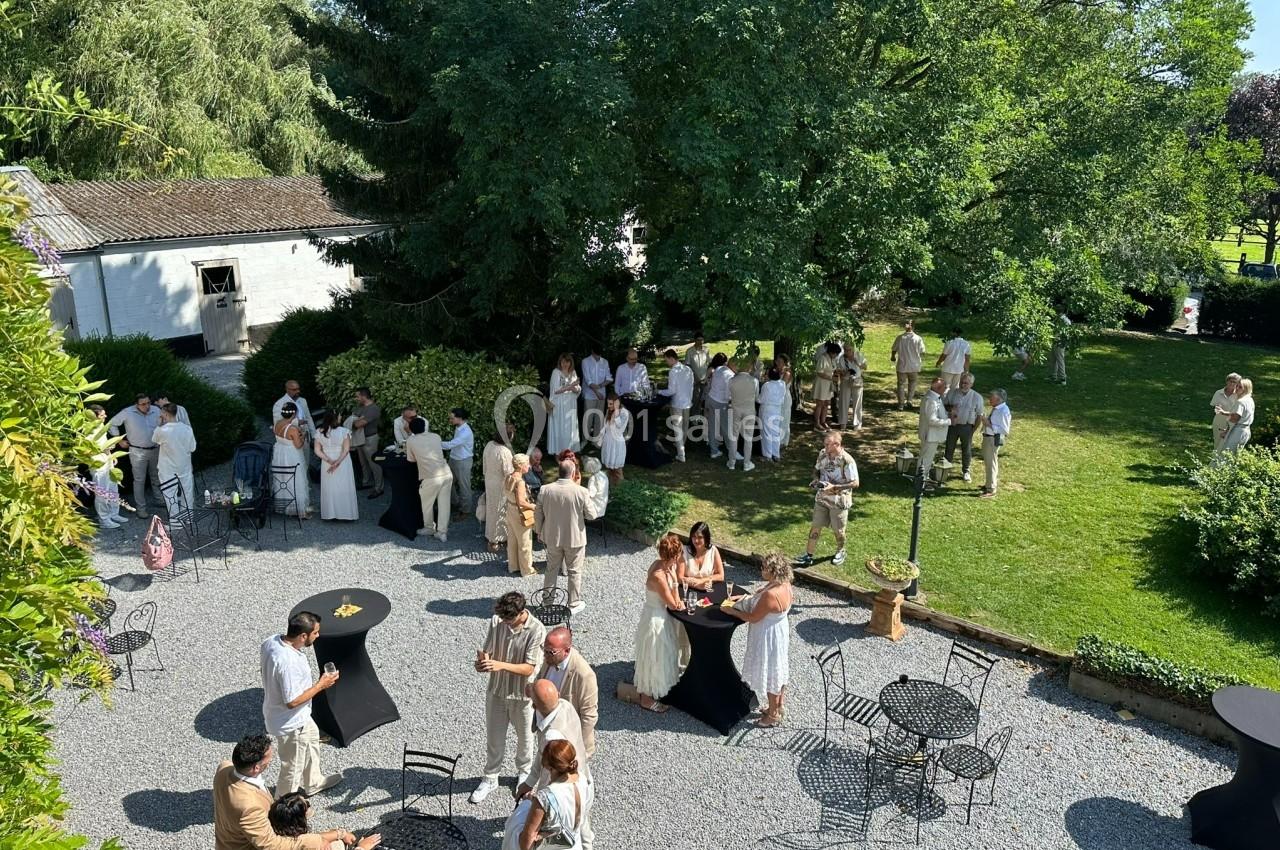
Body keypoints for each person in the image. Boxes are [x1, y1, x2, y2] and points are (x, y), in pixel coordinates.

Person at [213, 734, 367, 850]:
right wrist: (315, 842)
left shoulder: (225, 768)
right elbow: (271, 845)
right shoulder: (249, 807)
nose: (271, 758)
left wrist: (337, 833)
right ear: (256, 768)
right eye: (268, 758)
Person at [472, 592, 546, 804]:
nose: (505, 622)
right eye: (503, 618)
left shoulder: (537, 629)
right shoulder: (497, 621)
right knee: (494, 738)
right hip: (496, 691)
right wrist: (483, 663)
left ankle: (524, 774)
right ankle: (490, 777)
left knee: (525, 739)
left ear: (521, 613)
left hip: (522, 696)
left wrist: (499, 665)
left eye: (509, 619)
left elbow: (529, 667)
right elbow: (488, 649)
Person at [260, 612, 342, 797]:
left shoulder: (271, 641)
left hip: (298, 716)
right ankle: (284, 805)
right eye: (315, 633)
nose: (318, 636)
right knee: (292, 768)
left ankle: (314, 782)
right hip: (292, 723)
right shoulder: (288, 663)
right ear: (303, 636)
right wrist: (321, 685)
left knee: (312, 741)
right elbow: (292, 701)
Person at [724, 553, 793, 727]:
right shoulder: (785, 584)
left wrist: (732, 611)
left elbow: (753, 618)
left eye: (763, 568)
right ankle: (778, 706)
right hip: (779, 631)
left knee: (770, 673)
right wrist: (744, 599)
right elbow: (761, 603)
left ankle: (773, 716)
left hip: (767, 635)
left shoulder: (771, 594)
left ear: (772, 570)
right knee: (778, 669)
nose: (761, 570)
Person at [501, 739, 592, 850]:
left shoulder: (544, 797)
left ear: (551, 768)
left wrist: (526, 806)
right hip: (573, 844)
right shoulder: (582, 779)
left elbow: (526, 843)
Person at [632, 532, 687, 713]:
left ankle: (660, 688)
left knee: (662, 656)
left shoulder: (661, 565)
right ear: (675, 556)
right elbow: (673, 603)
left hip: (658, 614)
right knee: (653, 657)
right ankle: (646, 699)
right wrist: (675, 585)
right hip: (656, 620)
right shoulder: (659, 576)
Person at [535, 461, 598, 613]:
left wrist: (538, 531)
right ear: (573, 472)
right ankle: (573, 603)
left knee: (551, 569)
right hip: (574, 538)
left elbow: (538, 513)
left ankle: (547, 602)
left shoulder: (545, 489)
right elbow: (592, 515)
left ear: (559, 471)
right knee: (574, 571)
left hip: (552, 537)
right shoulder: (581, 491)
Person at [515, 680, 589, 799]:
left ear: (534, 706)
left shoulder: (551, 737)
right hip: (582, 780)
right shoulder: (566, 704)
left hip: (566, 794)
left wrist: (536, 797)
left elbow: (547, 775)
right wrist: (529, 782)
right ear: (558, 694)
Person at [796, 431, 859, 567]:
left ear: (836, 444)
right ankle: (808, 555)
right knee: (815, 526)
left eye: (827, 444)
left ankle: (841, 550)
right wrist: (816, 479)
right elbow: (816, 470)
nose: (824, 447)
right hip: (822, 498)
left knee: (838, 531)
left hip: (839, 502)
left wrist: (835, 487)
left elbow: (855, 483)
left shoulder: (847, 460)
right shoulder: (823, 453)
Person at [536, 627, 599, 759]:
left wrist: (576, 749)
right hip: (548, 732)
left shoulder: (584, 675)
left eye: (551, 652)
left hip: (569, 742)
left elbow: (589, 716)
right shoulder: (550, 659)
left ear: (567, 651)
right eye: (544, 650)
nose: (545, 655)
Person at [107, 392, 160, 517]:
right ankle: (141, 508)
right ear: (136, 405)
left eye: (148, 403)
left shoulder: (156, 410)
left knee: (156, 476)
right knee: (139, 480)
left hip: (156, 449)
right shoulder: (128, 412)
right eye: (143, 404)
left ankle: (160, 499)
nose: (147, 406)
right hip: (137, 451)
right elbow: (111, 424)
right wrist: (119, 440)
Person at [267, 792, 380, 850]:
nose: (309, 804)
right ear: (299, 819)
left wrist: (341, 833)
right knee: (337, 845)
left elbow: (305, 839)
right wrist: (362, 847)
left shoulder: (278, 836)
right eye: (307, 805)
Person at [404, 417, 452, 541]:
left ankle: (429, 527)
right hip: (446, 473)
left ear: (411, 429)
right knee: (444, 504)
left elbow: (411, 460)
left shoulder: (410, 440)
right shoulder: (436, 436)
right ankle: (442, 532)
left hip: (431, 477)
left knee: (427, 504)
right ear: (424, 427)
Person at [311, 412, 357, 521]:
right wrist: (337, 462)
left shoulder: (319, 432)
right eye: (339, 416)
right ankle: (346, 513)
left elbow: (317, 450)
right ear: (336, 419)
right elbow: (346, 450)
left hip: (327, 461)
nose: (341, 417)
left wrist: (329, 460)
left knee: (329, 486)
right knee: (344, 485)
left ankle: (330, 513)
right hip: (343, 461)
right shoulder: (344, 431)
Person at [153, 402, 197, 518]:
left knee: (170, 495)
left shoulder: (161, 430)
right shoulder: (187, 429)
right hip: (184, 466)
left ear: (165, 414)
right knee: (187, 493)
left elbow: (154, 440)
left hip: (167, 468)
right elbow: (192, 448)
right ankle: (188, 518)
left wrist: (159, 425)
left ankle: (176, 522)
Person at [88, 404, 126, 528]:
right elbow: (86, 450)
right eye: (102, 415)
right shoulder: (88, 430)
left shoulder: (101, 426)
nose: (105, 416)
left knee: (113, 488)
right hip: (97, 463)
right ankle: (104, 519)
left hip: (107, 461)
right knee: (102, 492)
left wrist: (111, 456)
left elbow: (104, 444)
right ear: (94, 417)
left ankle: (113, 513)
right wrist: (104, 449)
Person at [943, 373, 985, 484]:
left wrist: (973, 430)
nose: (963, 385)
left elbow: (979, 416)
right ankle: (946, 468)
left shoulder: (977, 397)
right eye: (961, 382)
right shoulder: (952, 393)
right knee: (949, 447)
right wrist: (951, 408)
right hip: (952, 425)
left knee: (966, 449)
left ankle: (966, 471)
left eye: (966, 383)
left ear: (971, 384)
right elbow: (944, 405)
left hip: (967, 426)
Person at [272, 403, 310, 517]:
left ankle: (285, 506)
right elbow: (298, 445)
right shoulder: (292, 429)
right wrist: (303, 436)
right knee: (296, 479)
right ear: (294, 414)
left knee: (283, 479)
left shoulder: (277, 424)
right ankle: (299, 510)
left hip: (280, 454)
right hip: (291, 455)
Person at [483, 424, 516, 551]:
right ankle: (495, 539)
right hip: (500, 484)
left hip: (489, 480)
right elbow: (509, 472)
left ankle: (489, 535)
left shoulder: (489, 445)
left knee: (491, 508)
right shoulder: (504, 451)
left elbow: (485, 464)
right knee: (500, 511)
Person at [658, 348, 694, 462]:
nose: (666, 363)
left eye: (666, 360)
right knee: (685, 427)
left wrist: (659, 391)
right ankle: (681, 446)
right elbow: (691, 386)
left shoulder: (673, 371)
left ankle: (681, 454)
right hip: (687, 402)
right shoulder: (688, 369)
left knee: (678, 428)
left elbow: (671, 391)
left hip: (677, 403)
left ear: (671, 358)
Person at [505, 453, 537, 577]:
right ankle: (526, 570)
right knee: (525, 542)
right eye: (526, 464)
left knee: (512, 540)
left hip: (510, 509)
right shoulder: (520, 482)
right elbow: (522, 502)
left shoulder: (509, 477)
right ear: (520, 466)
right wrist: (534, 507)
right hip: (519, 513)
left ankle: (513, 566)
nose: (529, 466)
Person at [979, 388, 1012, 498]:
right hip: (988, 437)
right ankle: (988, 484)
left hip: (992, 439)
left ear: (999, 399)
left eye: (992, 398)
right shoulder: (997, 409)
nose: (989, 399)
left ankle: (991, 489)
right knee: (989, 463)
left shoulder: (1003, 411)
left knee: (991, 463)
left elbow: (1005, 430)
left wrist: (988, 424)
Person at [441, 408, 474, 515]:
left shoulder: (466, 432)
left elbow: (450, 445)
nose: (450, 420)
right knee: (448, 482)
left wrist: (434, 442)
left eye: (452, 418)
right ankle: (455, 502)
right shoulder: (458, 427)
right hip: (454, 459)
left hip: (463, 461)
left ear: (460, 418)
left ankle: (465, 511)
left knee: (464, 487)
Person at [350, 388, 383, 498]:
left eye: (357, 396)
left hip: (370, 439)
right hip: (360, 439)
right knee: (363, 463)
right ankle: (366, 482)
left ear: (364, 396)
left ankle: (379, 488)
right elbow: (353, 418)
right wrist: (356, 420)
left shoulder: (373, 409)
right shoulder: (360, 407)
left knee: (374, 463)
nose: (356, 398)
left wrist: (355, 421)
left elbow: (358, 424)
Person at [727, 362, 759, 471]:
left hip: (735, 410)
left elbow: (728, 396)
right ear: (749, 367)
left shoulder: (732, 380)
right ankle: (746, 463)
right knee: (748, 438)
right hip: (749, 410)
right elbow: (756, 397)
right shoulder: (754, 381)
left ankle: (731, 463)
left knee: (733, 436)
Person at [918, 376, 950, 482]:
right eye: (944, 387)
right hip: (930, 435)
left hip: (931, 434)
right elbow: (932, 420)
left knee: (927, 457)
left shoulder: (934, 397)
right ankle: (921, 479)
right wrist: (949, 421)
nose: (945, 389)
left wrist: (948, 414)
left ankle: (923, 477)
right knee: (926, 458)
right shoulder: (931, 400)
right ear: (938, 388)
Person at [549, 354, 583, 455]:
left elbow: (578, 389)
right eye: (563, 361)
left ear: (571, 362)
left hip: (571, 404)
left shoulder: (573, 372)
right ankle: (558, 453)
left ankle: (569, 452)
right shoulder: (556, 372)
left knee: (570, 428)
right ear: (560, 362)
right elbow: (555, 390)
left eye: (567, 361)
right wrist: (571, 386)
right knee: (560, 428)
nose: (565, 364)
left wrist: (575, 388)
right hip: (559, 404)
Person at [891, 320, 927, 410]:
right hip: (914, 365)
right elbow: (922, 351)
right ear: (914, 327)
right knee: (912, 382)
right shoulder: (918, 338)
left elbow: (894, 349)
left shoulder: (900, 338)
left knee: (901, 384)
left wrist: (893, 356)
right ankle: (909, 400)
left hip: (902, 364)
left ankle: (901, 404)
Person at [679, 521, 724, 591]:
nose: (696, 540)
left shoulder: (713, 550)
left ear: (706, 538)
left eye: (700, 537)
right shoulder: (684, 551)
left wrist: (702, 580)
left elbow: (721, 576)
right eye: (694, 536)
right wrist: (697, 585)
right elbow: (679, 578)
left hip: (706, 589)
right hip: (686, 590)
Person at [704, 353, 733, 459]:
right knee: (726, 427)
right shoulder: (730, 375)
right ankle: (732, 449)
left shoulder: (717, 369)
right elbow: (727, 394)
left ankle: (714, 451)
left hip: (710, 398)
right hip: (720, 402)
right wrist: (730, 402)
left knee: (712, 426)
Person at [834, 342, 867, 430]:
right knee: (843, 402)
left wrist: (858, 363)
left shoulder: (859, 355)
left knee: (857, 402)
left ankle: (857, 423)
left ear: (853, 349)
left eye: (849, 350)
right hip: (846, 381)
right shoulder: (841, 358)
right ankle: (843, 423)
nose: (847, 352)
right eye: (845, 350)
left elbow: (865, 367)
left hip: (857, 381)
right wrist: (844, 372)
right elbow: (839, 372)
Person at [580, 347, 612, 441]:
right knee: (588, 418)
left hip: (601, 395)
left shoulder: (605, 362)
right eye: (596, 354)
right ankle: (585, 440)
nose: (598, 356)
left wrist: (600, 386)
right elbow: (588, 380)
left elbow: (609, 378)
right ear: (592, 351)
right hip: (589, 395)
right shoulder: (585, 361)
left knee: (599, 417)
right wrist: (597, 392)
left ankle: (597, 440)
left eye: (599, 354)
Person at [597, 392, 629, 483]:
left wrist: (616, 413)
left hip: (617, 443)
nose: (608, 406)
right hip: (608, 441)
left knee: (617, 469)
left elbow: (620, 429)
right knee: (609, 468)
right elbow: (606, 426)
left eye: (611, 404)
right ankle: (610, 485)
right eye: (608, 403)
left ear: (617, 403)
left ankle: (621, 487)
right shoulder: (609, 411)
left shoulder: (624, 413)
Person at [758, 367, 789, 461]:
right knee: (775, 432)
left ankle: (767, 455)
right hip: (777, 409)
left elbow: (761, 399)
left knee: (766, 432)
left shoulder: (767, 385)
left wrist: (756, 398)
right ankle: (776, 454)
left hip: (767, 409)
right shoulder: (782, 384)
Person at [1219, 377, 1255, 453]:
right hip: (1246, 431)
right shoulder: (1250, 400)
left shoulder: (1240, 402)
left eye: (1240, 387)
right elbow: (1241, 414)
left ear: (1246, 389)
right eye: (1237, 386)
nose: (1237, 388)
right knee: (1236, 455)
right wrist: (1225, 413)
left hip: (1238, 431)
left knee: (1227, 454)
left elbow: (1235, 418)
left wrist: (1227, 428)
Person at [811, 342, 840, 431]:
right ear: (831, 352)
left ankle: (823, 421)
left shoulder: (832, 359)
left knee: (826, 403)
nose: (836, 356)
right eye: (835, 354)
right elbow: (819, 372)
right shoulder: (823, 358)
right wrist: (831, 377)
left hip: (828, 384)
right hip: (821, 384)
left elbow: (833, 369)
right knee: (820, 403)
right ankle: (817, 423)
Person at [1211, 373, 1241, 452]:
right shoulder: (1218, 393)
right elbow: (1215, 405)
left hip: (1232, 422)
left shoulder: (1238, 395)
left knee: (1229, 446)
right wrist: (1217, 408)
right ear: (1227, 381)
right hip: (1219, 421)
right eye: (1230, 381)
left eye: (1234, 382)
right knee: (1217, 443)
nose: (1232, 383)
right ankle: (1215, 459)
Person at [935, 327, 971, 391]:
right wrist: (967, 370)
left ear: (954, 333)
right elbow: (967, 359)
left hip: (948, 368)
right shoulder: (966, 344)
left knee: (945, 386)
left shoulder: (949, 342)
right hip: (959, 369)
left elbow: (944, 355)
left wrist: (938, 362)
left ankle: (944, 397)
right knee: (955, 388)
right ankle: (952, 397)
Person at [685, 333, 711, 414]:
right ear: (695, 340)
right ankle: (693, 416)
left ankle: (700, 415)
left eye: (702, 340)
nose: (700, 342)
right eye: (698, 340)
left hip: (704, 378)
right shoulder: (689, 351)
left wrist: (706, 377)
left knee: (703, 399)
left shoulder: (706, 350)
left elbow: (709, 363)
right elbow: (688, 365)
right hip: (694, 379)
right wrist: (695, 377)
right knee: (695, 398)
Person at [774, 353, 794, 450]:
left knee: (784, 419)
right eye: (777, 361)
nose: (777, 363)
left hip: (785, 398)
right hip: (777, 398)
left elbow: (781, 385)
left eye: (780, 362)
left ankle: (783, 441)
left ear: (785, 363)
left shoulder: (787, 373)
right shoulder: (776, 371)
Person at [582, 456, 609, 520]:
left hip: (595, 507)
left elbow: (591, 494)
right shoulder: (603, 474)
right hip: (602, 505)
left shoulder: (593, 479)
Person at [1050, 313, 1071, 385]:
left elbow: (1067, 332)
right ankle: (1053, 376)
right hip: (1054, 341)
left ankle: (1063, 379)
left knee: (1060, 360)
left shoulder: (1065, 320)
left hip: (1060, 343)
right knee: (1053, 359)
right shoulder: (1057, 318)